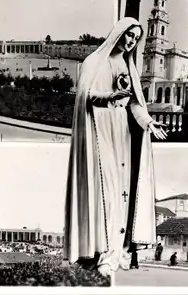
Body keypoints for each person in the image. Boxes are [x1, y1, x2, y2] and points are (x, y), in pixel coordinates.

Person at [63, 17, 168, 277]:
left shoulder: (127, 65)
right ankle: (102, 254)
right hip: (99, 131)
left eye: (135, 39)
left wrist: (149, 122)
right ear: (118, 34)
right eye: (128, 36)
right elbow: (85, 96)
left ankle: (116, 252)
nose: (131, 42)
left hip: (121, 131)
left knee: (121, 193)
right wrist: (110, 97)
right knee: (105, 193)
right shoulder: (94, 62)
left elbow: (134, 103)